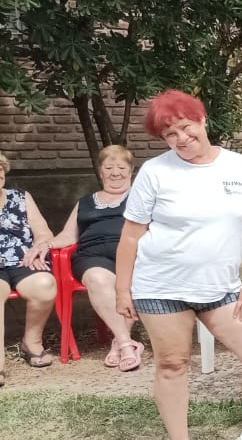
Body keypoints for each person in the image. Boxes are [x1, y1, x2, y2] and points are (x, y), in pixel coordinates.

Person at [115, 92, 242, 440]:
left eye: (185, 127)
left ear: (202, 120)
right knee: (173, 364)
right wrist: (123, 291)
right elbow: (130, 236)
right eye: (170, 134)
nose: (180, 138)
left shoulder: (241, 167)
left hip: (222, 288)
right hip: (161, 288)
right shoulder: (156, 172)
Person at [38, 145, 143, 371]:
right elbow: (68, 235)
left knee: (136, 277)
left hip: (131, 255)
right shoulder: (86, 202)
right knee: (96, 278)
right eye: (109, 167)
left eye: (121, 167)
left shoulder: (140, 198)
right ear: (100, 171)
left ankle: (117, 345)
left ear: (131, 170)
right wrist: (45, 244)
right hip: (92, 256)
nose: (115, 173)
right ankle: (126, 343)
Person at [0, 150, 58, 380]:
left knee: (44, 285)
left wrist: (37, 248)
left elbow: (43, 232)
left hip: (23, 259)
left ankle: (31, 342)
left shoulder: (21, 197)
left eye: (0, 174)